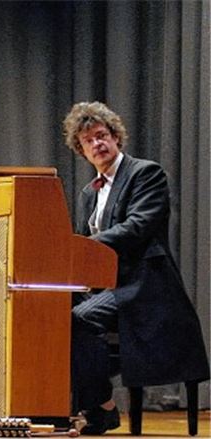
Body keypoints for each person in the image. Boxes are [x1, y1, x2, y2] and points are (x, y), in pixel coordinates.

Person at [63, 102, 209, 435]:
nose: (98, 144)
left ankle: (101, 408)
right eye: (89, 141)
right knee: (52, 315)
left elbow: (137, 227)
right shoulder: (90, 193)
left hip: (145, 286)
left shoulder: (145, 173)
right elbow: (90, 245)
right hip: (109, 284)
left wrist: (81, 246)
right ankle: (87, 405)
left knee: (79, 319)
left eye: (102, 136)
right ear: (82, 150)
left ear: (116, 137)